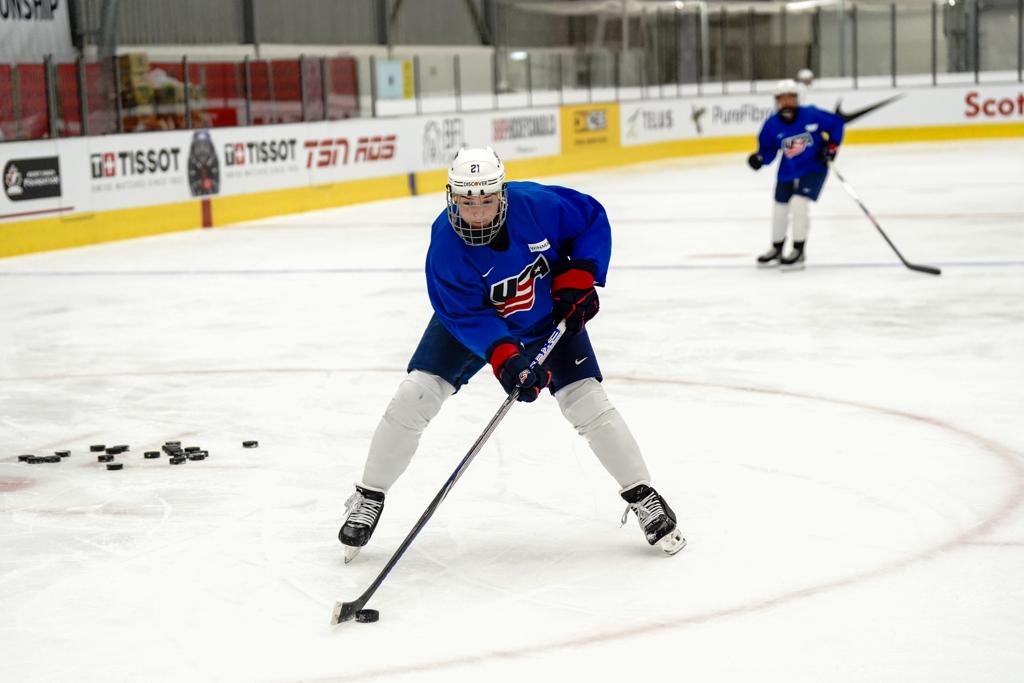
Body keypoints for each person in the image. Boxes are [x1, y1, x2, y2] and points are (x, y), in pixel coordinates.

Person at [338, 147, 686, 561]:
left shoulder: (536, 205)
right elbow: (465, 314)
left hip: (545, 316)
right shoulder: (446, 244)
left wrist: (580, 275)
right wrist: (505, 356)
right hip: (469, 325)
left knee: (586, 401)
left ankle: (643, 496)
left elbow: (591, 218)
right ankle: (369, 495)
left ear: (501, 195)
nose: (477, 213)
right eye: (467, 202)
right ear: (452, 198)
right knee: (415, 394)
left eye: (486, 201)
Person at [747, 79, 845, 269]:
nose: (786, 102)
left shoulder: (811, 114)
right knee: (780, 208)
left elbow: (836, 124)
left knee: (798, 204)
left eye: (790, 97)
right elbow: (767, 150)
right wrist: (759, 159)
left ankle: (798, 251)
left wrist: (831, 148)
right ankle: (776, 248)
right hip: (788, 170)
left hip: (814, 167)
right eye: (782, 98)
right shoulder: (772, 124)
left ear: (797, 98)